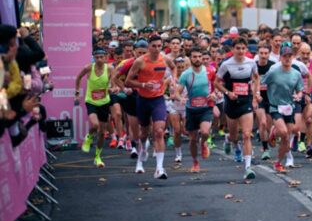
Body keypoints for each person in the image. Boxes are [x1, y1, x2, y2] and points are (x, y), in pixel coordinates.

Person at [125, 35, 177, 179]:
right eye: (153, 46)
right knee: (143, 134)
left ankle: (159, 168)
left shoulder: (165, 59)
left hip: (158, 99)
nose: (156, 49)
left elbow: (173, 68)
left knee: (159, 131)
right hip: (142, 99)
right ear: (149, 47)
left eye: (159, 46)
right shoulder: (140, 62)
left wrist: (173, 79)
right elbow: (128, 82)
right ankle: (141, 155)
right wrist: (142, 85)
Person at [215, 37, 260, 180]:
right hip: (231, 102)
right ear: (233, 49)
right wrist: (228, 92)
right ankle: (230, 140)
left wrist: (255, 94)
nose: (240, 51)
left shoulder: (251, 62)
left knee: (247, 134)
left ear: (246, 49)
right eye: (238, 48)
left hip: (245, 101)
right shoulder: (226, 64)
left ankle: (247, 167)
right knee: (235, 136)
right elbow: (217, 83)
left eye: (243, 48)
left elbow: (256, 77)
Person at [262, 46, 304, 173]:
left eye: (289, 56)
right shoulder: (274, 71)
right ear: (280, 58)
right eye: (285, 56)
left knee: (286, 139)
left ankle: (278, 162)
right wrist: (257, 96)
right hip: (275, 107)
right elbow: (263, 83)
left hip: (289, 108)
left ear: (293, 57)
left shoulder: (296, 74)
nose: (287, 59)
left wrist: (298, 96)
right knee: (285, 133)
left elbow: (300, 90)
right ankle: (276, 129)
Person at [74, 49, 115, 168]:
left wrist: (113, 88)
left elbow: (113, 82)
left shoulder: (110, 68)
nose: (99, 60)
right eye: (97, 57)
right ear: (94, 58)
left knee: (102, 132)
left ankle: (97, 157)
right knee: (96, 125)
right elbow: (78, 78)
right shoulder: (88, 68)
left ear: (105, 58)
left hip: (104, 102)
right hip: (91, 101)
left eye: (101, 57)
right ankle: (89, 136)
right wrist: (77, 92)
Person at [177, 47, 214, 173]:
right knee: (192, 139)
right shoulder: (185, 74)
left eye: (199, 57)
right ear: (190, 58)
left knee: (204, 132)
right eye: (194, 57)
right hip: (191, 109)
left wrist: (215, 94)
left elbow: (217, 86)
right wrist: (180, 98)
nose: (197, 59)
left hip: (206, 108)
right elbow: (178, 91)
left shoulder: (209, 71)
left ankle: (204, 143)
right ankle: (195, 162)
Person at [254, 44, 275, 160]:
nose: (263, 56)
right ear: (258, 53)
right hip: (259, 98)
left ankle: (271, 136)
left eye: (266, 53)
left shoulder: (273, 66)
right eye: (261, 53)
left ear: (269, 54)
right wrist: (255, 95)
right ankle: (265, 149)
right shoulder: (254, 66)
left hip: (271, 98)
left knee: (268, 125)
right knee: (262, 123)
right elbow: (251, 81)